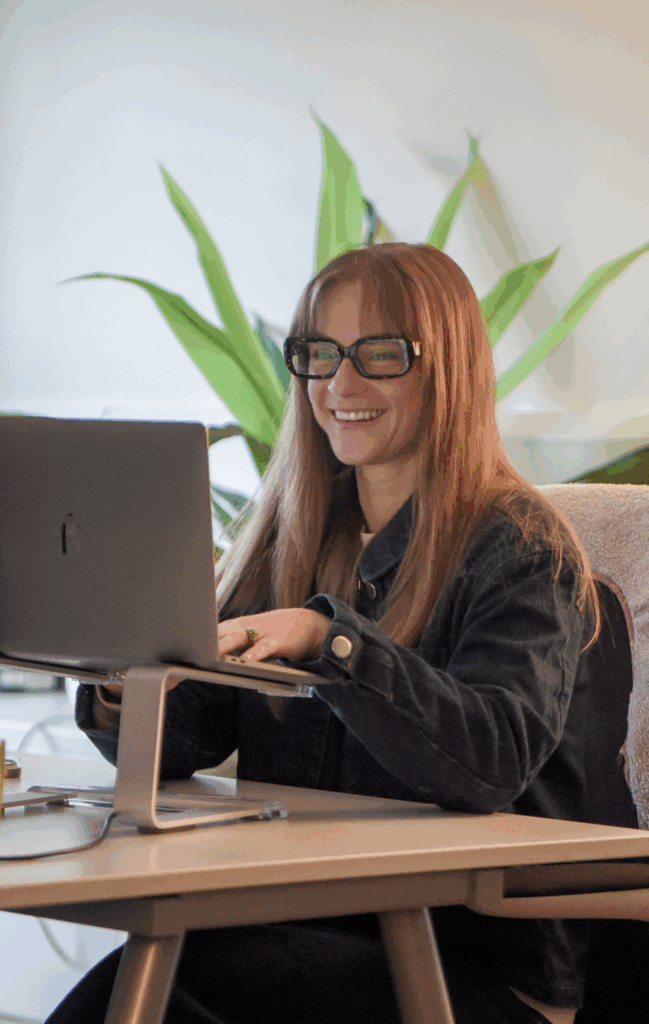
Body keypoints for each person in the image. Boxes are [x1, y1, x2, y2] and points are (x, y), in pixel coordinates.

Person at [50, 243, 602, 1024]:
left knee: (165, 984)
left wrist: (331, 641)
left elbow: (491, 761)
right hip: (303, 931)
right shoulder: (291, 539)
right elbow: (187, 742)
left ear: (449, 370)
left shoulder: (518, 546)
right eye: (320, 354)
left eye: (380, 355)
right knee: (155, 973)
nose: (341, 384)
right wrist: (122, 677)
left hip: (469, 971)